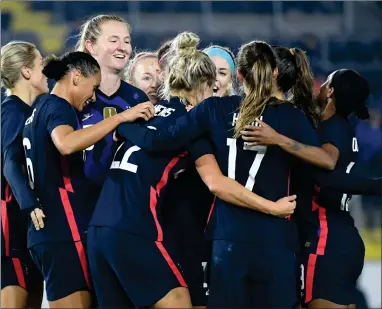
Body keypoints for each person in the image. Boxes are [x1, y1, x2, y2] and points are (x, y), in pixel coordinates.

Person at [115, 39, 346, 307]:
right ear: (273, 73)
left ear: (238, 75)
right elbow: (325, 161)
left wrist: (123, 126)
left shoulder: (214, 109)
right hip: (276, 239)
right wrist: (279, 140)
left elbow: (162, 140)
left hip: (227, 240)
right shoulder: (292, 117)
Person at [87, 33, 296, 309]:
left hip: (98, 229)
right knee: (179, 302)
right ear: (203, 85)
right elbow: (216, 183)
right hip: (135, 229)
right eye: (211, 88)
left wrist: (121, 127)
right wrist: (272, 207)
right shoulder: (191, 124)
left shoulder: (145, 111)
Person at [22, 51, 154, 308]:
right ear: (76, 77)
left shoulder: (38, 108)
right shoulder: (59, 107)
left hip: (46, 233)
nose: (93, 97)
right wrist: (120, 118)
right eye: (92, 87)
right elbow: (67, 144)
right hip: (64, 227)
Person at [243, 68, 379, 308]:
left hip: (326, 238)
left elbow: (328, 161)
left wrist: (277, 139)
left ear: (331, 93)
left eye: (326, 83)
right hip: (342, 234)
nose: (321, 86)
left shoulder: (333, 127)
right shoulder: (344, 128)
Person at [75, 14, 151, 191]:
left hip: (122, 205)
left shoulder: (137, 98)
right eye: (113, 40)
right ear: (91, 46)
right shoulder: (73, 96)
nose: (122, 48)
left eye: (126, 41)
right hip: (78, 205)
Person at [1, 41, 46, 309]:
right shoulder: (12, 111)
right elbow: (9, 162)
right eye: (41, 65)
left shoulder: (29, 112)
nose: (46, 74)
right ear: (27, 72)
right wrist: (30, 204)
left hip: (26, 222)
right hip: (13, 221)